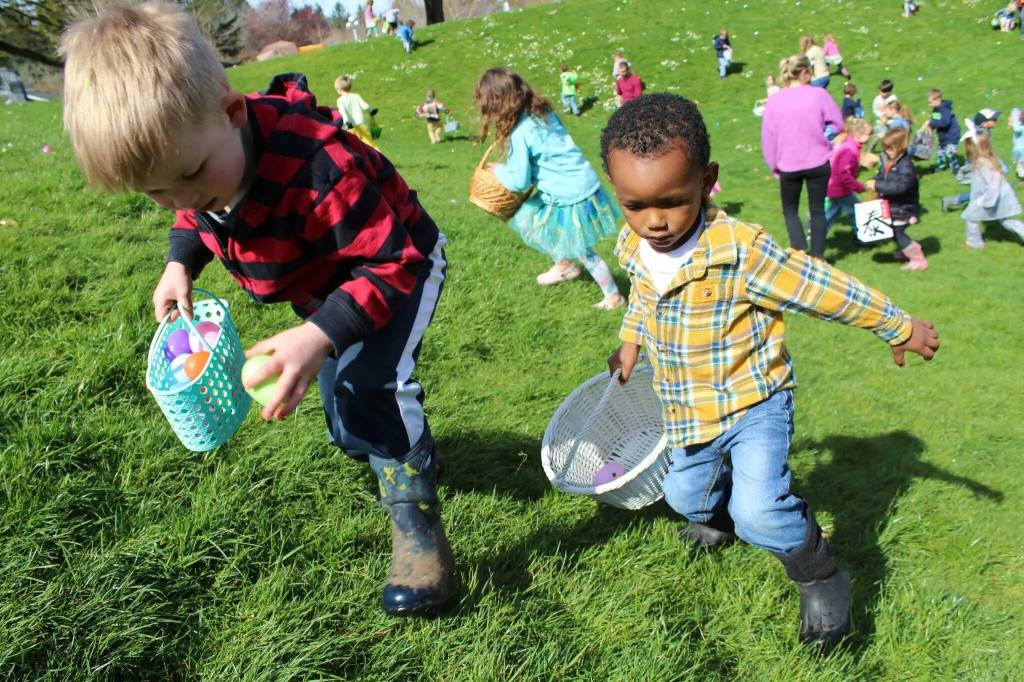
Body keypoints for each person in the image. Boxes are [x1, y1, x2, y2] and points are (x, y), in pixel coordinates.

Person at [61, 2, 453, 616]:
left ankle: (415, 517)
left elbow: (392, 262)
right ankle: (384, 441)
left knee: (370, 383)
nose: (182, 197)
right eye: (156, 190)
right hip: (323, 287)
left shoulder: (321, 166)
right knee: (346, 413)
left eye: (190, 174)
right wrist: (179, 263)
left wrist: (319, 332)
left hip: (399, 263)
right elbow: (193, 212)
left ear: (232, 111)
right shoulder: (198, 160)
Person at [601, 93, 940, 653]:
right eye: (635, 205)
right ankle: (720, 516)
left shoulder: (741, 253)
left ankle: (820, 573)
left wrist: (896, 324)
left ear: (707, 180)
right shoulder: (635, 244)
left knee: (759, 511)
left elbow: (823, 287)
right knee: (685, 495)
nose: (654, 221)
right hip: (688, 409)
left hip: (754, 401)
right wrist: (631, 339)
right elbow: (643, 294)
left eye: (672, 201)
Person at [474, 68, 624, 309]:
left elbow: (519, 182)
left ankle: (613, 296)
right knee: (529, 218)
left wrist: (499, 171)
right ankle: (564, 265)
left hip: (570, 196)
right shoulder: (543, 114)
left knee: (582, 249)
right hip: (581, 184)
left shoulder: (520, 132)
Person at [761, 55, 844, 258]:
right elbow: (837, 124)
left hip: (788, 165)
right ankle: (818, 258)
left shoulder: (774, 101)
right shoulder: (819, 95)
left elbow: (768, 138)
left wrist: (774, 166)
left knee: (790, 209)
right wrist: (825, 138)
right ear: (806, 73)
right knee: (817, 210)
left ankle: (799, 253)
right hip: (818, 160)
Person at [864, 128, 927, 270]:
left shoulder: (906, 166)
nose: (886, 152)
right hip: (893, 206)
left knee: (898, 233)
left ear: (900, 147)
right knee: (892, 231)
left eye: (890, 149)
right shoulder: (891, 162)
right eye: (885, 148)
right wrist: (874, 181)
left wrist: (878, 185)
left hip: (903, 208)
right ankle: (908, 248)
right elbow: (883, 176)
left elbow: (900, 187)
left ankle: (918, 259)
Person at [959, 122, 1024, 248]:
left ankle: (975, 243)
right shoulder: (990, 158)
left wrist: (987, 202)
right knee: (1008, 221)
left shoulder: (983, 162)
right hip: (1001, 195)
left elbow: (995, 182)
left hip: (993, 197)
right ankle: (974, 242)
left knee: (970, 216)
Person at [825, 117, 871, 235]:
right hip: (840, 189)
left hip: (835, 187)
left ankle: (815, 235)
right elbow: (844, 173)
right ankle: (863, 237)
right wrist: (858, 187)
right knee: (857, 211)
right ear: (859, 135)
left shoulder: (848, 145)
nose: (870, 137)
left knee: (831, 214)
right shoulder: (850, 150)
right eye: (868, 134)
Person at [921, 89, 960, 173]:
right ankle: (940, 167)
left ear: (937, 99)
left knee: (950, 153)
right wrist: (930, 127)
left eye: (930, 102)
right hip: (943, 137)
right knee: (941, 153)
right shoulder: (935, 109)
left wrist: (931, 122)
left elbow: (944, 122)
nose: (929, 104)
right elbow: (935, 119)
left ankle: (956, 168)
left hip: (951, 135)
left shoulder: (944, 109)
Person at [334, 75, 378, 148]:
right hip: (362, 123)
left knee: (355, 145)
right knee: (369, 143)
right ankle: (378, 154)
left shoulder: (340, 100)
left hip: (351, 126)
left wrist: (347, 122)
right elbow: (365, 105)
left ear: (339, 89)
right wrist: (370, 110)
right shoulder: (356, 96)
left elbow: (343, 112)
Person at [1010, 107, 1024, 180]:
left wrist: (1013, 120)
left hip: (1020, 150)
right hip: (1020, 149)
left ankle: (1022, 179)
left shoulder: (1019, 127)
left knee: (1021, 165)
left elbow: (1016, 128)